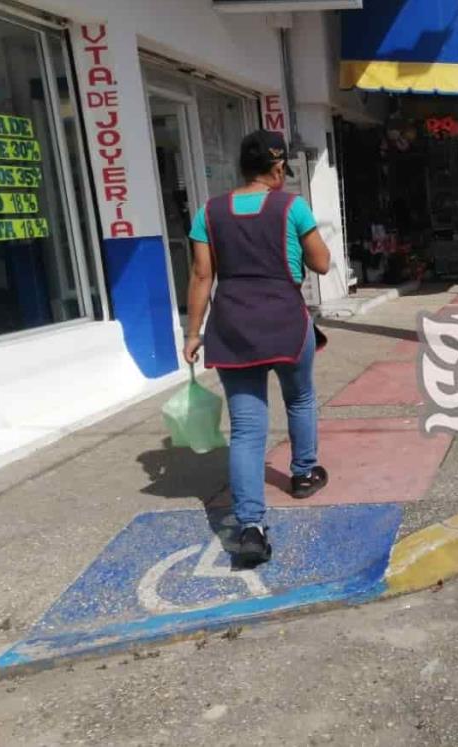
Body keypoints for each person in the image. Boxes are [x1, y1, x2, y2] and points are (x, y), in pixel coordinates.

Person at [183, 129, 332, 567]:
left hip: (231, 327)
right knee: (300, 397)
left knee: (247, 429)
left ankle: (250, 527)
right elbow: (322, 263)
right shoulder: (292, 207)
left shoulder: (209, 213)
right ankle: (303, 474)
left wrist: (193, 334)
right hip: (286, 320)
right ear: (278, 166)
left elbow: (200, 276)